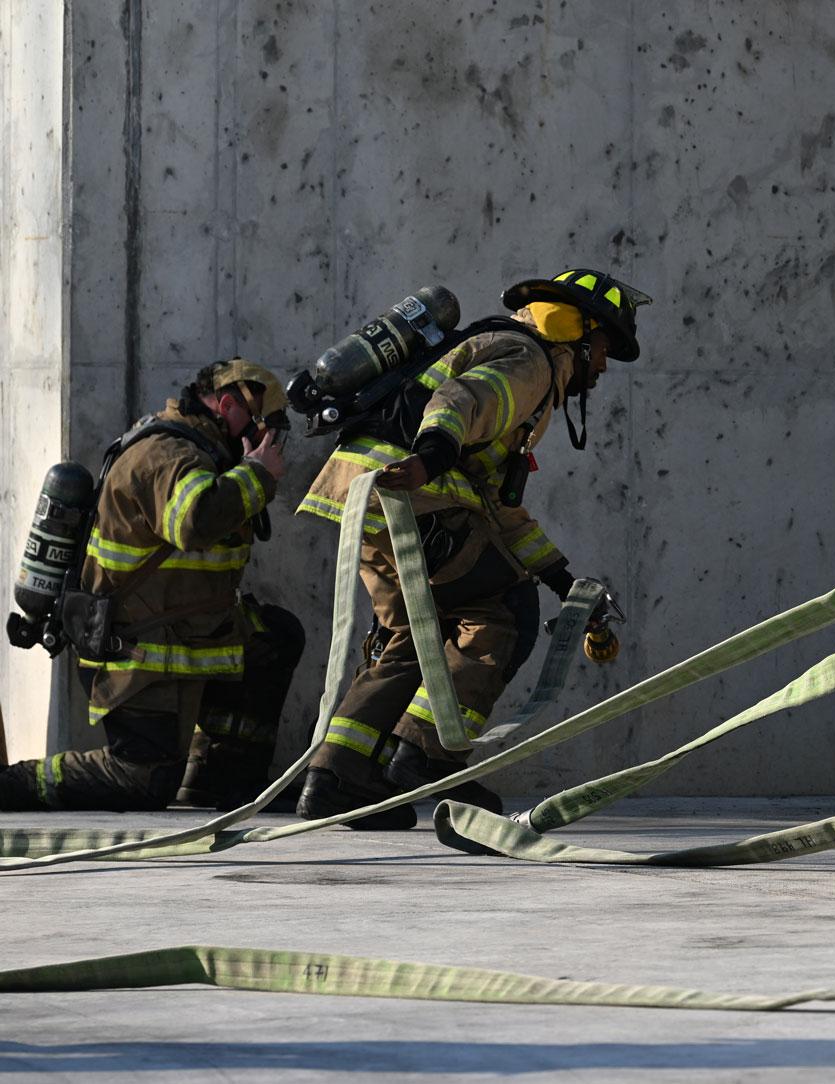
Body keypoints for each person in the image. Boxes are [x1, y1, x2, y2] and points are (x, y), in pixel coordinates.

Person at [294, 268, 648, 828]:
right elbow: (458, 401)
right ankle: (429, 756)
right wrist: (431, 459)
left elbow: (500, 507)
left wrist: (566, 583)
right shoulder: (529, 360)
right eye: (603, 348)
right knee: (503, 613)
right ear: (573, 329)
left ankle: (336, 777)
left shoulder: (497, 351)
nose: (602, 367)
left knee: (417, 633)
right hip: (413, 494)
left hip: (357, 497)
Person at [0, 359, 304, 811]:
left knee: (275, 638)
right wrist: (257, 473)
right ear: (225, 404)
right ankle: (14, 785)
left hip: (191, 631)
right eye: (260, 422)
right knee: (142, 780)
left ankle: (220, 778)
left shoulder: (203, 450)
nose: (265, 438)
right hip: (137, 647)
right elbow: (195, 520)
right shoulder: (167, 453)